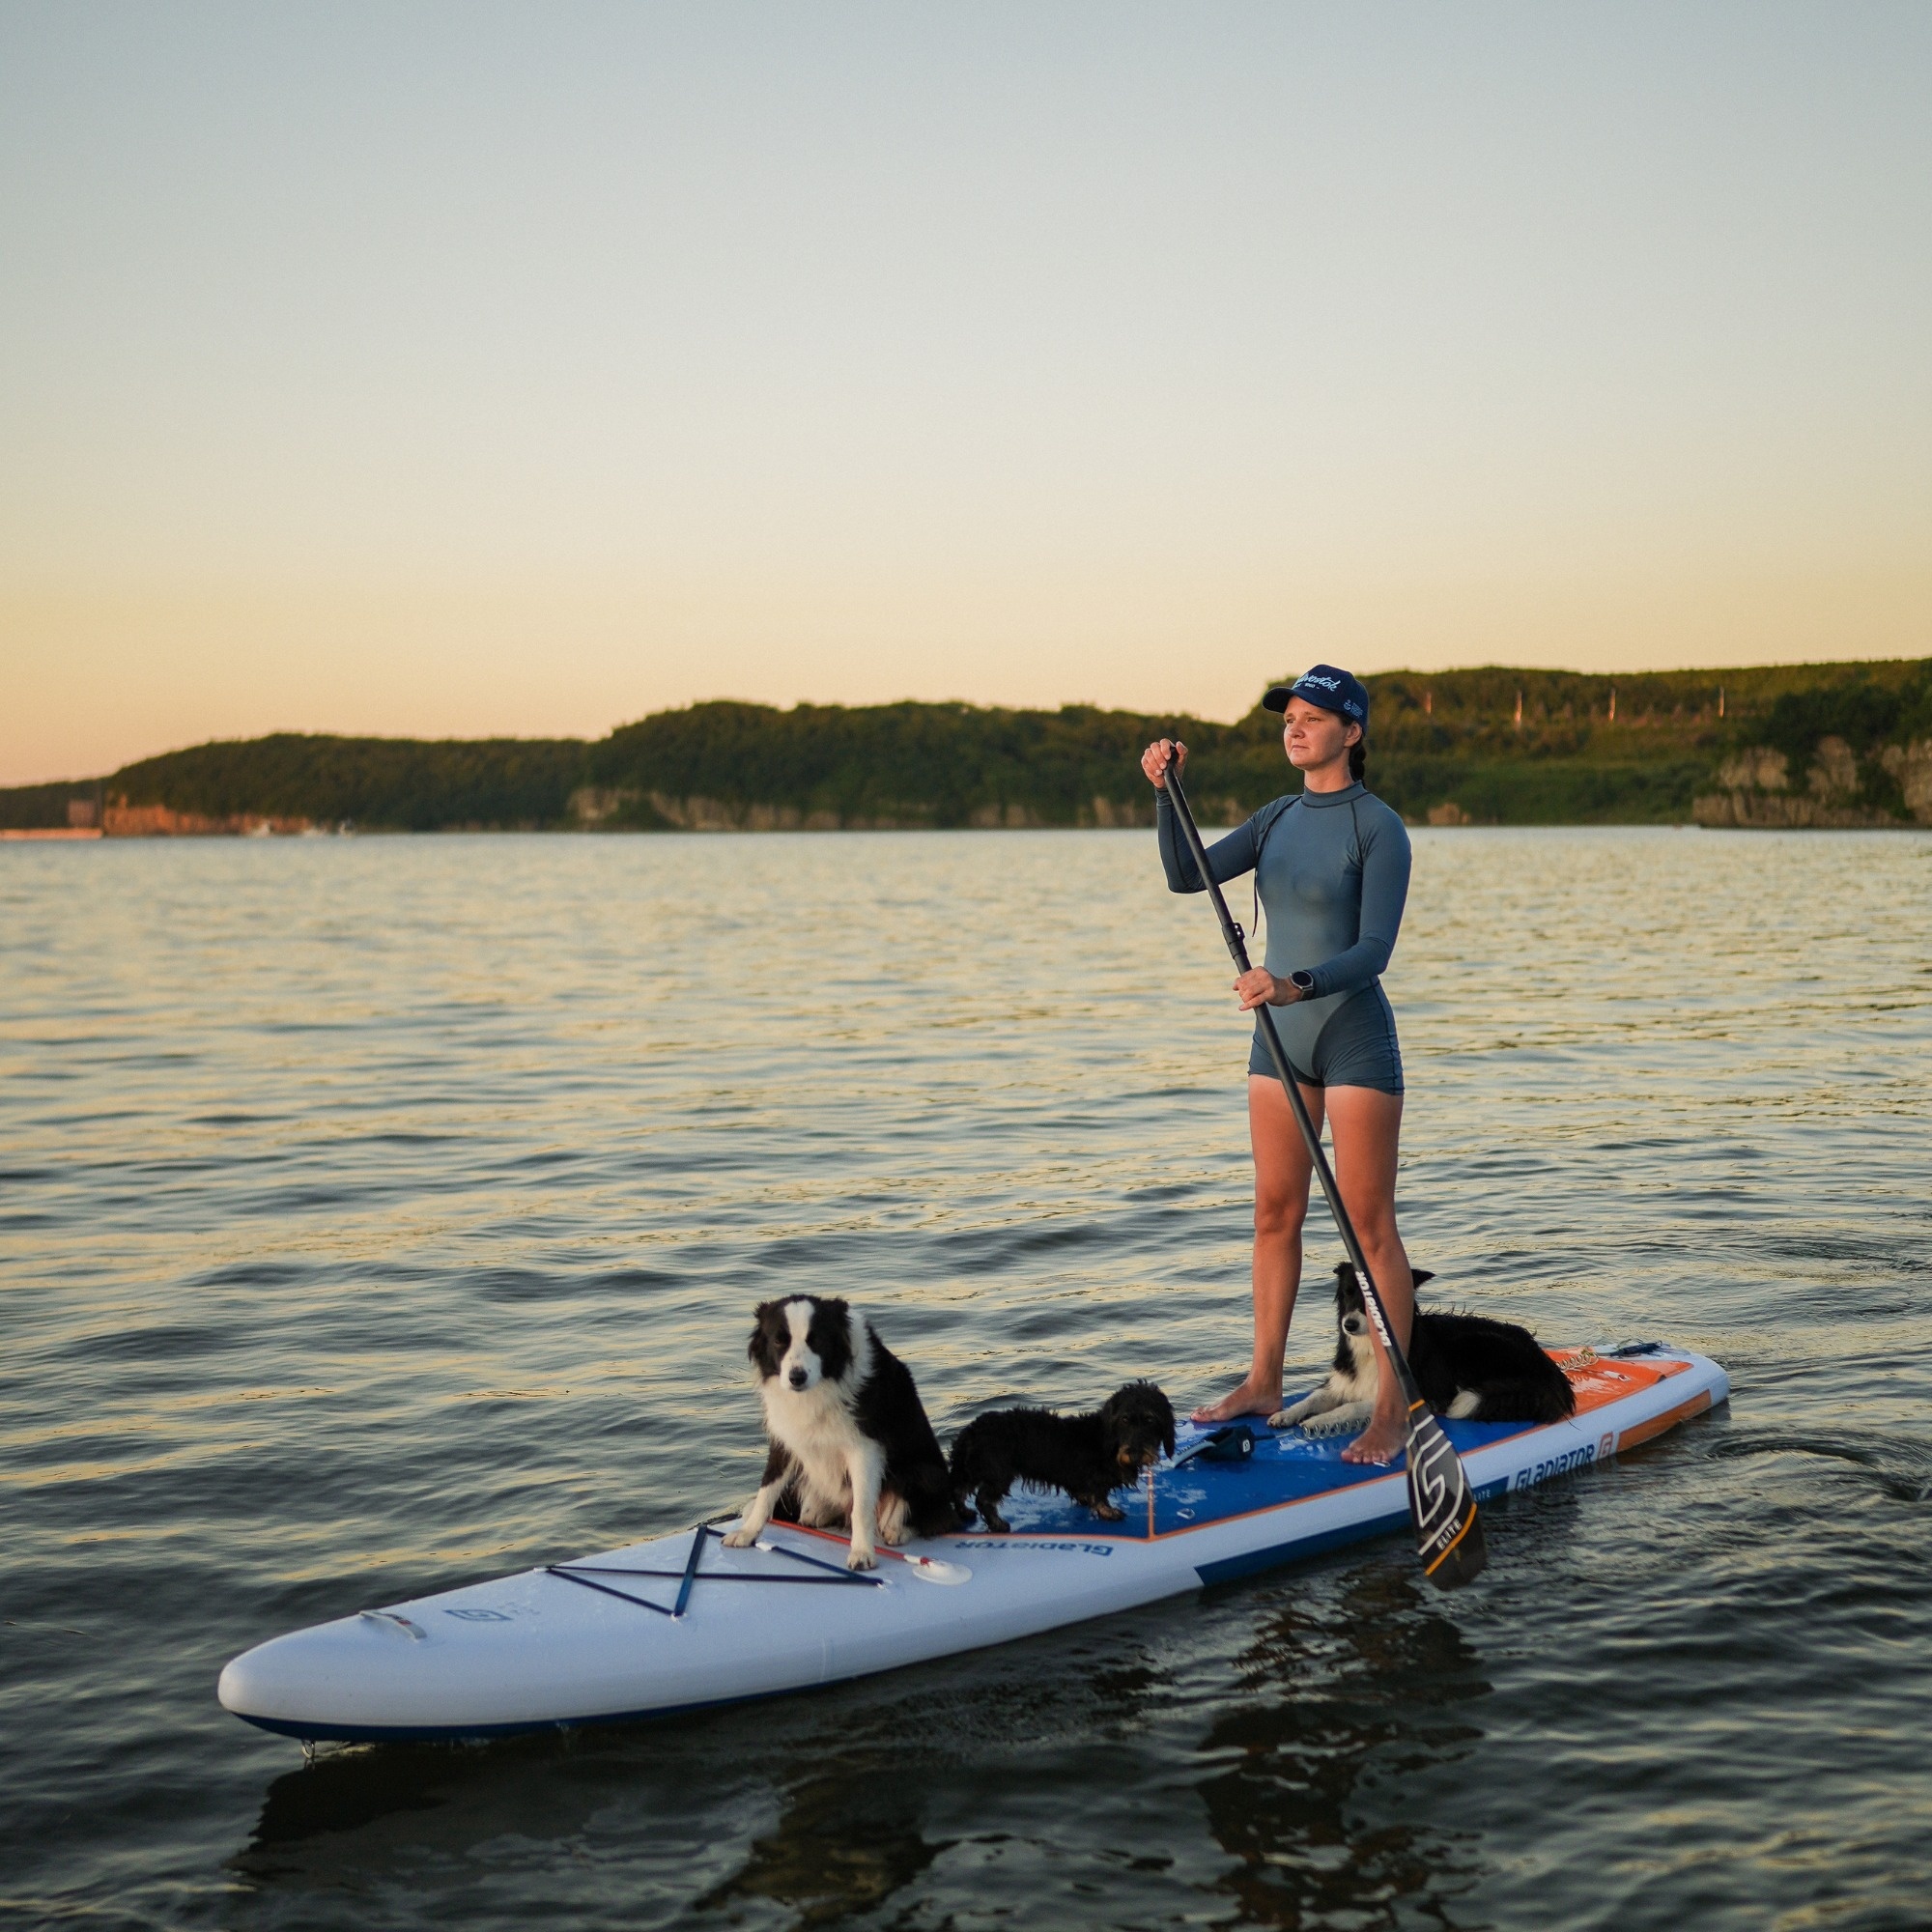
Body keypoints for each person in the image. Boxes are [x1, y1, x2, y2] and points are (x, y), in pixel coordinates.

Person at [1141, 665, 1416, 1464]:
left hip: (1350, 1033)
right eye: (1288, 716)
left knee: (1368, 1229)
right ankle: (1264, 1381)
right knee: (1273, 1213)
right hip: (1278, 1039)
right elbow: (1186, 874)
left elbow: (1375, 950)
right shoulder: (1275, 818)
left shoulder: (1379, 827)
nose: (1294, 727)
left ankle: (1393, 1410)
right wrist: (1166, 794)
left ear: (1351, 733)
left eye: (1312, 717)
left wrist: (1295, 984)